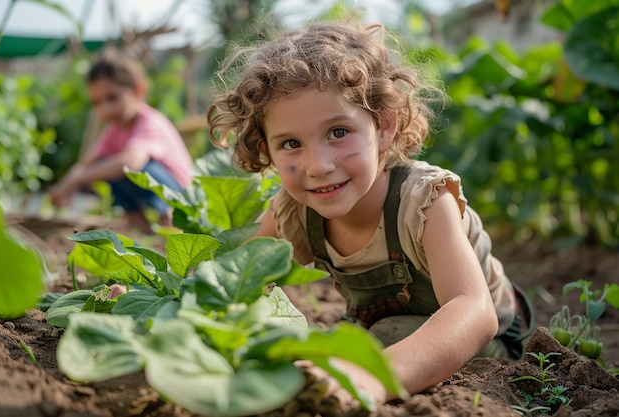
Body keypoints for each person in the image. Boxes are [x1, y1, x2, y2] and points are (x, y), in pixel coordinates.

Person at [207, 20, 533, 405]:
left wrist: (371, 377)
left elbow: (474, 312)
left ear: (384, 126)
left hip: (488, 338)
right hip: (380, 328)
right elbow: (233, 283)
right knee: (339, 344)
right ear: (266, 150)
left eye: (338, 132)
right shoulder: (293, 212)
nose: (318, 165)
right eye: (291, 143)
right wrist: (156, 307)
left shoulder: (424, 200)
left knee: (382, 337)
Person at [49, 47, 193, 234]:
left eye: (113, 98)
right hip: (158, 193)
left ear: (138, 91)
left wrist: (80, 179)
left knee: (135, 167)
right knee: (105, 169)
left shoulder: (149, 122)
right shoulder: (115, 129)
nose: (105, 109)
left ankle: (173, 228)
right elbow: (87, 163)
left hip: (183, 198)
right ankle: (146, 235)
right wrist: (65, 186)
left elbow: (131, 162)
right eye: (97, 103)